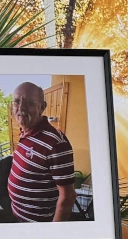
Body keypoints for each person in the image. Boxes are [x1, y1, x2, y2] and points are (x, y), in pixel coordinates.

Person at [5, 80, 75, 222]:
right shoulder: (25, 132)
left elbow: (68, 197)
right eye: (17, 102)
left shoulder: (56, 143)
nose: (21, 108)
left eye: (29, 103)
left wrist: (53, 233)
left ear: (42, 107)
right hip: (19, 215)